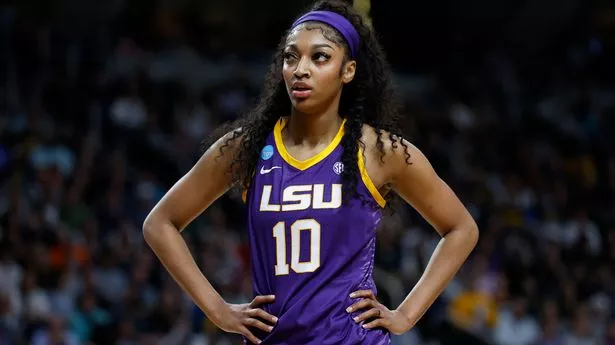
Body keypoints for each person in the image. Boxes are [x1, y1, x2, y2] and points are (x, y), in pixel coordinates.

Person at [142, 1, 479, 344]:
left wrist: (406, 314)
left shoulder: (379, 151)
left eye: (319, 57)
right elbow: (160, 223)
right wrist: (217, 310)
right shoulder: (247, 148)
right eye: (291, 57)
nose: (301, 69)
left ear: (348, 71)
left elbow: (461, 229)